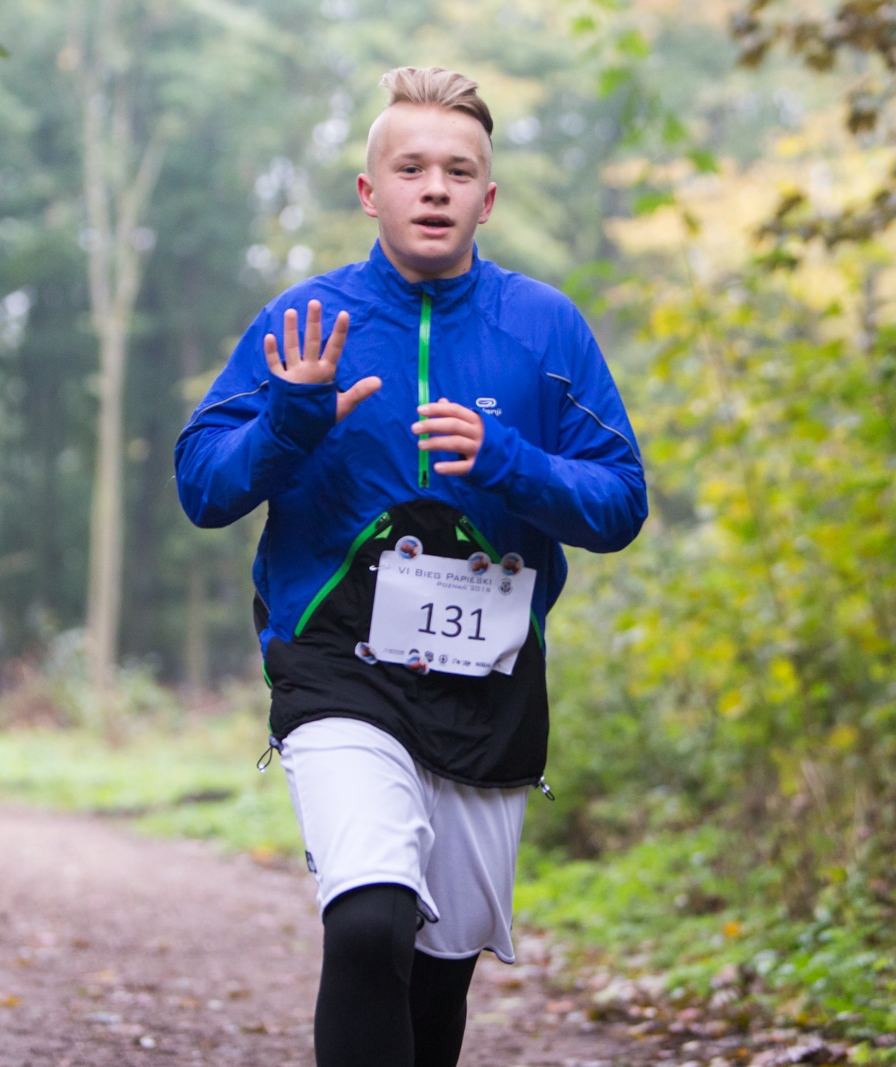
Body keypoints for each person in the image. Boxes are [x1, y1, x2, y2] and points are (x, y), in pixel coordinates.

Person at [175, 67, 646, 1067]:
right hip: (336, 661)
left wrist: (512, 462)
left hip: (488, 676)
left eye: (457, 169)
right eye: (411, 166)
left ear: (487, 197)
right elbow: (204, 488)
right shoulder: (302, 323)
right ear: (369, 191)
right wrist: (289, 419)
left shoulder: (546, 327)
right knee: (370, 923)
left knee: (438, 963)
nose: (433, 186)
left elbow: (619, 504)